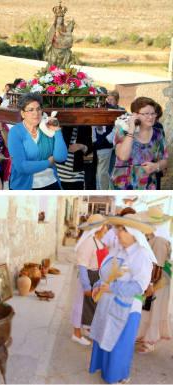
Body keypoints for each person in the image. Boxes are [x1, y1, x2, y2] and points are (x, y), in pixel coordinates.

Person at [89, 214, 155, 384]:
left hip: (127, 308)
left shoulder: (142, 255)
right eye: (118, 228)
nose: (117, 233)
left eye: (122, 229)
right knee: (104, 335)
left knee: (119, 344)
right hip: (108, 304)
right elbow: (105, 273)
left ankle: (118, 376)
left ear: (134, 233)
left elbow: (139, 287)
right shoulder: (118, 250)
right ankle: (105, 369)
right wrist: (98, 283)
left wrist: (111, 288)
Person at [7, 93, 68, 189]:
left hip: (50, 183)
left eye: (38, 109)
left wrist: (57, 130)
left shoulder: (47, 128)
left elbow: (60, 157)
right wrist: (48, 162)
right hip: (24, 187)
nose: (36, 113)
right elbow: (21, 166)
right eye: (31, 110)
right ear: (23, 114)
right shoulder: (15, 132)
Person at [136, 207, 172, 353]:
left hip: (159, 280)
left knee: (155, 309)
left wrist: (150, 284)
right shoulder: (152, 238)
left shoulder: (159, 241)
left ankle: (150, 341)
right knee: (147, 309)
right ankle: (143, 336)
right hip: (153, 279)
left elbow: (158, 266)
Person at [111, 97, 168, 190]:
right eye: (146, 114)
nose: (150, 117)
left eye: (153, 113)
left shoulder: (158, 134)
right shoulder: (122, 131)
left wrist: (156, 166)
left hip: (148, 186)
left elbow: (165, 161)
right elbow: (123, 156)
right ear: (135, 115)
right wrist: (131, 130)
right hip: (123, 186)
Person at [71, 214, 109, 346]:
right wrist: (86, 286)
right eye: (104, 226)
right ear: (99, 227)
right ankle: (76, 334)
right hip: (87, 276)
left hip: (96, 277)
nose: (106, 228)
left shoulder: (98, 241)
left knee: (91, 307)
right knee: (80, 306)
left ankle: (86, 328)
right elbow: (82, 266)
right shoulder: (88, 243)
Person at [93, 90, 124, 190]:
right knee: (103, 171)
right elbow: (98, 128)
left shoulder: (121, 111)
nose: (109, 101)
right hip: (104, 144)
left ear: (117, 101)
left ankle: (110, 189)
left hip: (115, 144)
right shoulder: (102, 109)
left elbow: (121, 127)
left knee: (113, 170)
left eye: (112, 100)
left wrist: (110, 138)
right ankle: (104, 189)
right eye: (108, 99)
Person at [57, 125, 93, 190]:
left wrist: (80, 146)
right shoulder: (64, 124)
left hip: (77, 174)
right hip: (60, 172)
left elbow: (89, 149)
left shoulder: (85, 126)